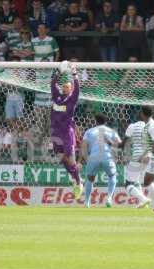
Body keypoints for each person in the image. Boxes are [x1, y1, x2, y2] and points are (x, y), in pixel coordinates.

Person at [50, 61, 83, 200]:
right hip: (55, 133)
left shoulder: (72, 99)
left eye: (68, 86)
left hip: (66, 133)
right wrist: (59, 73)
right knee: (60, 158)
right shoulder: (57, 97)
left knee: (70, 159)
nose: (65, 87)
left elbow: (78, 89)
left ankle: (78, 181)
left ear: (71, 89)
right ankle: (76, 177)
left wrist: (74, 73)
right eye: (64, 86)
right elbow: (52, 84)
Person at [81, 113, 121, 208]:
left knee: (90, 179)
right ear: (106, 122)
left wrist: (87, 159)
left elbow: (83, 146)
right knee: (112, 176)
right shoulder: (111, 131)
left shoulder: (89, 131)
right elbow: (119, 144)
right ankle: (109, 198)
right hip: (107, 157)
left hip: (93, 157)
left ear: (95, 121)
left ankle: (87, 202)